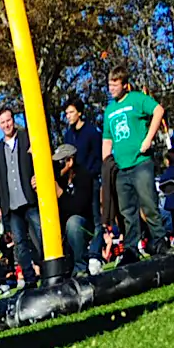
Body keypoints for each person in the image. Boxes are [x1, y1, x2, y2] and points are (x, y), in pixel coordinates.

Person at [100, 69, 166, 261]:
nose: (111, 88)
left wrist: (147, 140)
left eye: (115, 83)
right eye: (109, 84)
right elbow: (107, 139)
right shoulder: (109, 111)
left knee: (149, 204)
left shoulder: (136, 99)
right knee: (127, 211)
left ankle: (160, 240)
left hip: (141, 162)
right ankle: (131, 249)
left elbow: (158, 111)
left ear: (124, 84)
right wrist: (106, 163)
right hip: (121, 168)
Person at [0, 109, 42, 286]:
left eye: (8, 120)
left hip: (30, 199)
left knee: (40, 236)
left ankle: (49, 269)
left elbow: (39, 159)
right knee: (19, 244)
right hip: (11, 206)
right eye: (2, 122)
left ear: (13, 120)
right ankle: (29, 279)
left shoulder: (27, 138)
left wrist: (38, 176)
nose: (6, 125)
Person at [56, 98, 105, 273]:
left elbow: (99, 157)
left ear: (80, 113)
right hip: (75, 182)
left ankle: (95, 255)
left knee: (96, 219)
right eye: (66, 113)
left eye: (71, 112)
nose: (68, 116)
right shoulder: (68, 135)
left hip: (90, 180)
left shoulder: (91, 132)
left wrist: (91, 174)